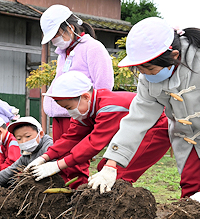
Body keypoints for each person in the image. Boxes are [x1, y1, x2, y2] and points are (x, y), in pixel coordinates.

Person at [88, 17, 200, 200]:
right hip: (187, 138)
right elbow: (136, 120)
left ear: (174, 56)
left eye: (149, 68)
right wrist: (111, 164)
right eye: (140, 69)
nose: (145, 74)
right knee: (191, 192)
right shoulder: (147, 81)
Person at [26, 71, 170, 189]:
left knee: (118, 173)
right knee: (103, 167)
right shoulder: (86, 110)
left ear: (85, 96)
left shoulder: (109, 108)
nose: (70, 113)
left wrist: (58, 165)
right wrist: (44, 157)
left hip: (157, 127)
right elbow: (71, 138)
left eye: (69, 108)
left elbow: (93, 143)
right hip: (138, 131)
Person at [39, 4, 114, 184]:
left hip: (78, 114)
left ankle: (77, 195)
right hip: (60, 113)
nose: (54, 40)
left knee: (76, 161)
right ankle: (63, 197)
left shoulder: (93, 48)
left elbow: (104, 85)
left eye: (56, 34)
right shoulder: (64, 53)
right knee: (60, 158)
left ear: (70, 27)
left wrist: (92, 116)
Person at [0, 117, 53, 187]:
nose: (24, 141)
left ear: (41, 134)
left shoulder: (49, 146)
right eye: (19, 139)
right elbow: (10, 170)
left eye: (28, 136)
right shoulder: (27, 154)